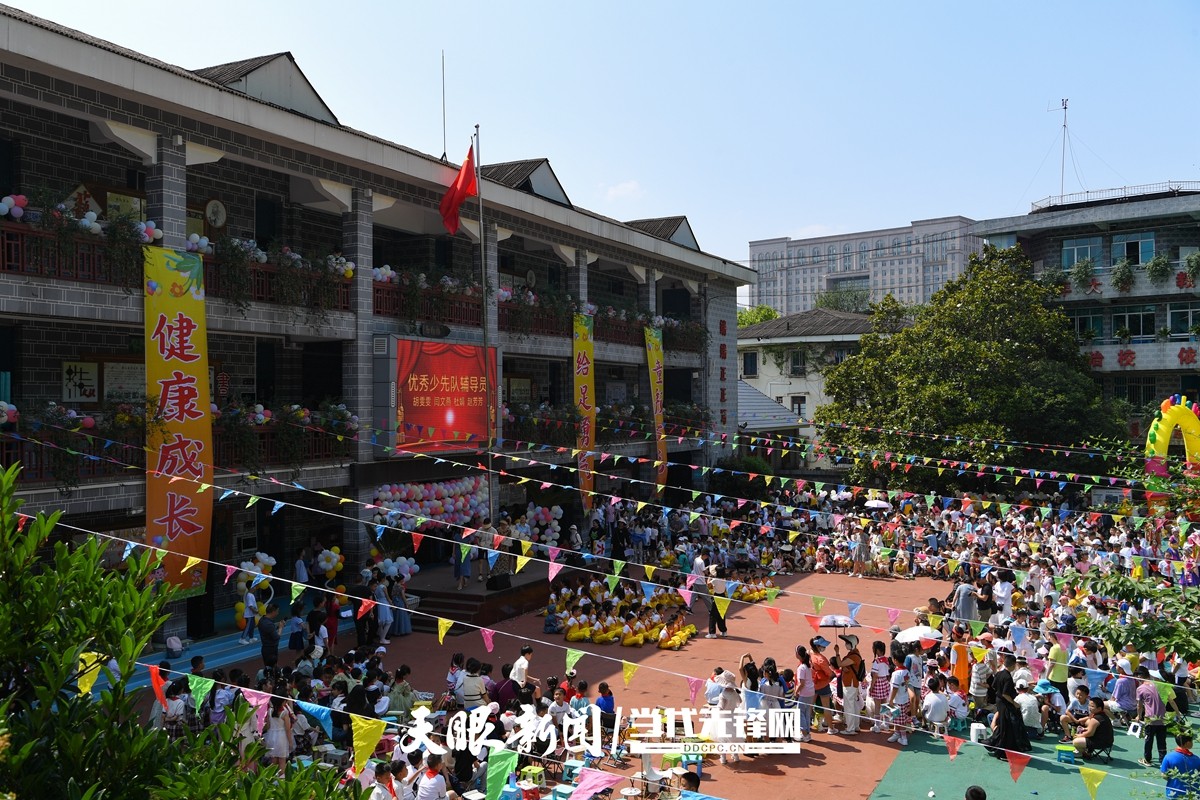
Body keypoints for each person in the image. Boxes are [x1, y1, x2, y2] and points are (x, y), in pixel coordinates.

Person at [984, 653, 1031, 760]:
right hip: (1005, 703)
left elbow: (994, 686)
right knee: (1006, 726)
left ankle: (995, 743)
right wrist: (1014, 703)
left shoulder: (999, 674)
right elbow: (1006, 694)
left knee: (1003, 725)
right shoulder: (1008, 677)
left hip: (999, 702)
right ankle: (1002, 751)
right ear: (1013, 665)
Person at [1135, 665, 1169, 767]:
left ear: (1140, 676)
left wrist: (1138, 716)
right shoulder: (1158, 685)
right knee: (1161, 740)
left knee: (1149, 739)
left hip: (1150, 718)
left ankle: (1147, 759)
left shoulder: (1140, 688)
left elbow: (1139, 705)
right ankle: (1163, 761)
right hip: (1163, 717)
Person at [834, 634, 865, 734]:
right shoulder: (854, 654)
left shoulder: (854, 656)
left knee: (849, 706)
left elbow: (839, 664)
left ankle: (850, 728)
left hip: (849, 684)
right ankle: (855, 726)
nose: (845, 644)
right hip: (852, 683)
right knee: (854, 705)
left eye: (847, 643)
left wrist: (837, 653)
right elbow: (843, 665)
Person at [1161, 731, 1200, 799]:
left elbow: (1164, 775)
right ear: (1187, 743)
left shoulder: (1168, 757)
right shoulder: (1196, 759)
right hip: (1193, 794)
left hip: (1174, 793)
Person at [809, 636, 835, 733]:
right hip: (823, 685)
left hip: (812, 684)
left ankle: (807, 724)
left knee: (809, 705)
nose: (824, 648)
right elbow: (829, 673)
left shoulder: (809, 654)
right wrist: (833, 675)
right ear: (818, 646)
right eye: (823, 646)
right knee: (826, 707)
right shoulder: (821, 659)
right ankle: (831, 728)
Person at [703, 566, 729, 639]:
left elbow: (708, 585)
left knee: (713, 615)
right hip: (723, 596)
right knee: (721, 614)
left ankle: (712, 633)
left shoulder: (715, 580)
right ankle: (724, 631)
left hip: (717, 596)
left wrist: (709, 578)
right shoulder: (724, 579)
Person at [258, 603, 281, 669]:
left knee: (269, 668)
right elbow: (277, 637)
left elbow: (269, 632)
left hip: (266, 648)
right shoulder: (268, 624)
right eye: (277, 611)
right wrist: (281, 628)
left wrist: (277, 627)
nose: (277, 613)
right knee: (273, 668)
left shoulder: (262, 620)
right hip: (271, 649)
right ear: (273, 612)